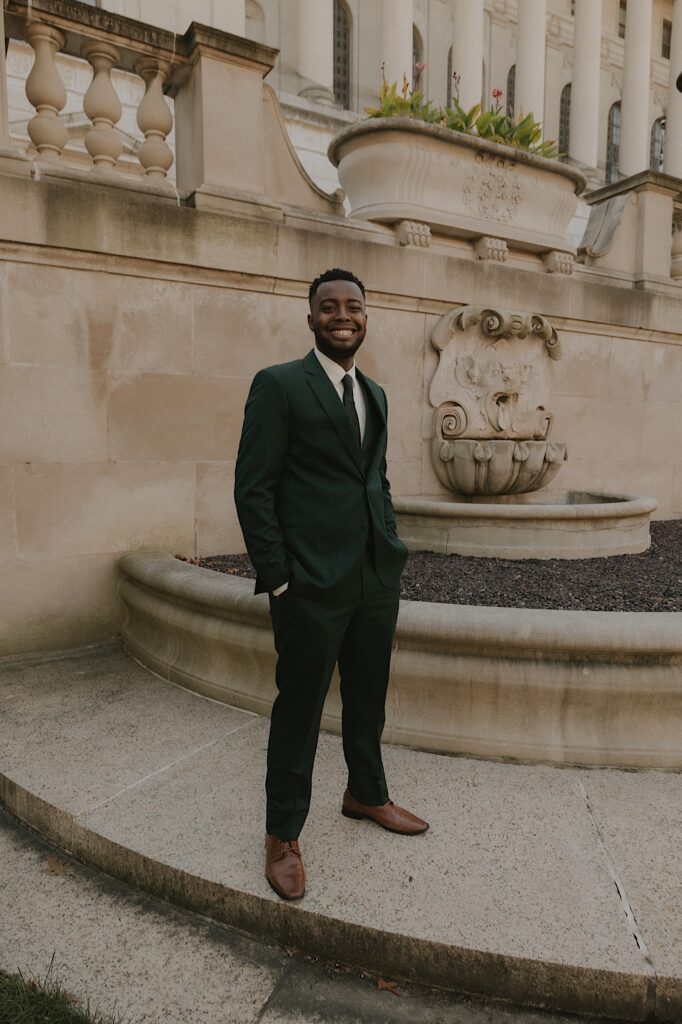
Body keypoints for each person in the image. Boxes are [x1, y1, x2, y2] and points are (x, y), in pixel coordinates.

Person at [234, 268, 429, 902]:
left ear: (366, 317)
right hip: (309, 585)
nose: (342, 315)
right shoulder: (280, 385)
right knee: (300, 708)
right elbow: (253, 489)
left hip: (375, 576)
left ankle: (365, 793)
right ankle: (282, 835)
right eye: (329, 306)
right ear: (310, 317)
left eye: (353, 306)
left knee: (369, 696)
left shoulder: (375, 392)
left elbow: (377, 480)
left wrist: (390, 546)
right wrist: (281, 579)